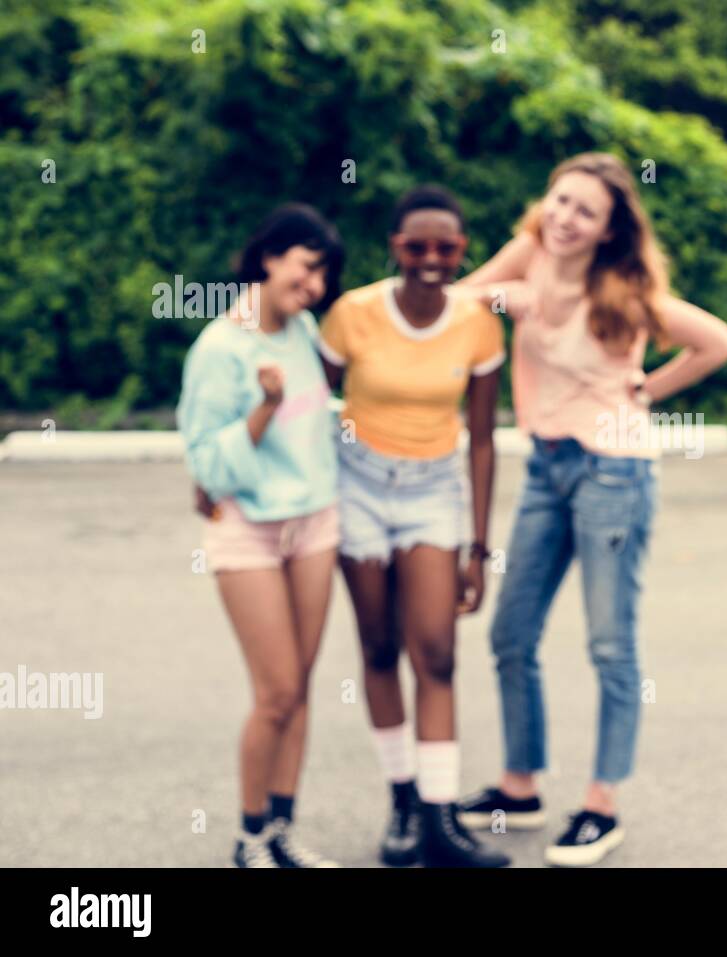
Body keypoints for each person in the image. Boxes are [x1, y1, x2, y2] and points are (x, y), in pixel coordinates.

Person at [451, 152, 727, 866]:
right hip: (548, 465)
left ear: (609, 230)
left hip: (615, 471)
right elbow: (460, 298)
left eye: (585, 211)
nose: (565, 218)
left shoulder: (624, 291)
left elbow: (717, 342)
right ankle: (520, 786)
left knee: (610, 644)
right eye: (559, 200)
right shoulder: (528, 253)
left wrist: (646, 389)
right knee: (510, 633)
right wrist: (503, 300)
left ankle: (600, 804)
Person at [316, 186, 509, 868]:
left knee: (437, 653)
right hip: (360, 484)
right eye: (416, 246)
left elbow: (482, 439)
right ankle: (401, 803)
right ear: (395, 247)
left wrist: (478, 549)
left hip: (433, 490)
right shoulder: (353, 313)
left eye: (446, 247)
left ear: (462, 250)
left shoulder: (478, 322)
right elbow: (313, 407)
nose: (431, 258)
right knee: (376, 648)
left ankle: (440, 816)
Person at [177, 204, 345, 868]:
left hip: (314, 522)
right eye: (306, 268)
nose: (313, 288)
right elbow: (209, 467)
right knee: (274, 692)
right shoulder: (220, 348)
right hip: (247, 531)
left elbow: (318, 427)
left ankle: (281, 830)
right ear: (270, 256)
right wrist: (265, 405)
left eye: (322, 278)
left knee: (300, 686)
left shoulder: (303, 332)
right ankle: (248, 838)